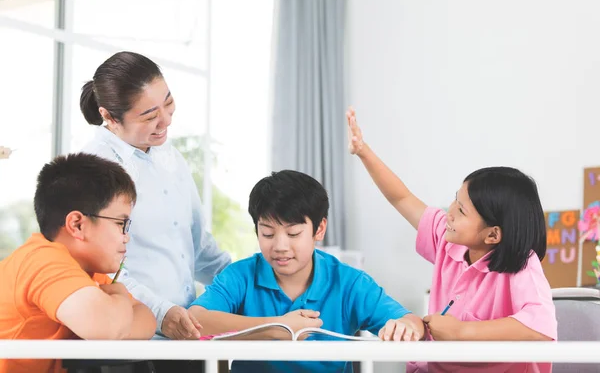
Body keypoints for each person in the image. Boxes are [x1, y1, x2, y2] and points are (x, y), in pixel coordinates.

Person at [346, 107, 557, 373]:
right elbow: (401, 198)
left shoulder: (522, 265)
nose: (449, 212)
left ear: (493, 234)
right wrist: (363, 151)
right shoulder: (450, 241)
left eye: (462, 210)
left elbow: (539, 327)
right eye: (455, 200)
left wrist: (463, 331)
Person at [188, 170, 424, 373]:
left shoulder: (348, 282)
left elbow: (412, 321)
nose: (280, 246)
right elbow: (195, 320)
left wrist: (408, 327)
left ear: (319, 229)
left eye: (293, 234)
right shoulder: (240, 276)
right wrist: (278, 328)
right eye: (267, 233)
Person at [79, 51, 231, 345]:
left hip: (187, 333)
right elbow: (100, 270)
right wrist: (162, 313)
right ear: (109, 116)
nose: (165, 122)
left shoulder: (168, 155)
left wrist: (250, 286)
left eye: (169, 103)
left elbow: (199, 248)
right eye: (149, 116)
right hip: (134, 340)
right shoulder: (94, 168)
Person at [0, 153, 156, 373]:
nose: (126, 236)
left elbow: (147, 319)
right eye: (121, 223)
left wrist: (114, 324)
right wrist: (119, 295)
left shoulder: (86, 271)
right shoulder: (42, 261)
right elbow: (107, 326)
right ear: (77, 224)